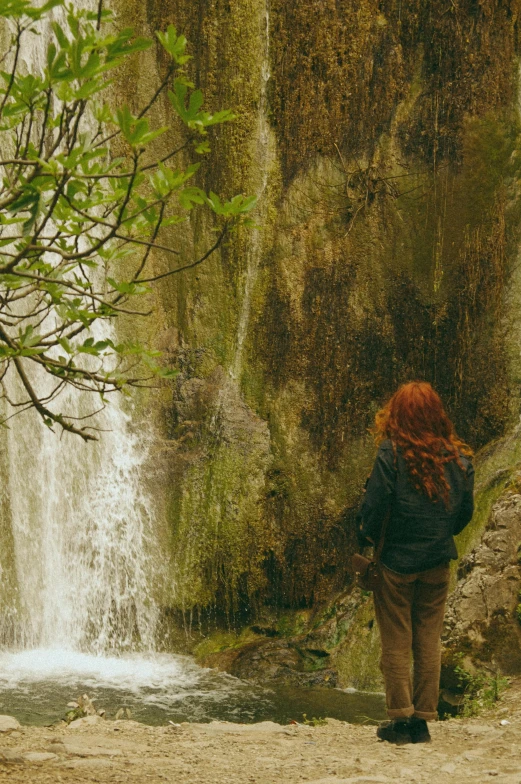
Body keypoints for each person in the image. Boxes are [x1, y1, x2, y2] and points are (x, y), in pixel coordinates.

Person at [356, 381, 474, 745]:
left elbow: (375, 507)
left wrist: (366, 537)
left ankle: (400, 719)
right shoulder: (460, 459)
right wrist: (439, 532)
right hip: (438, 560)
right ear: (437, 414)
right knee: (428, 638)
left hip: (395, 562)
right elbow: (463, 514)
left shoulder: (391, 453)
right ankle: (423, 719)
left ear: (397, 414)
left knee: (396, 639)